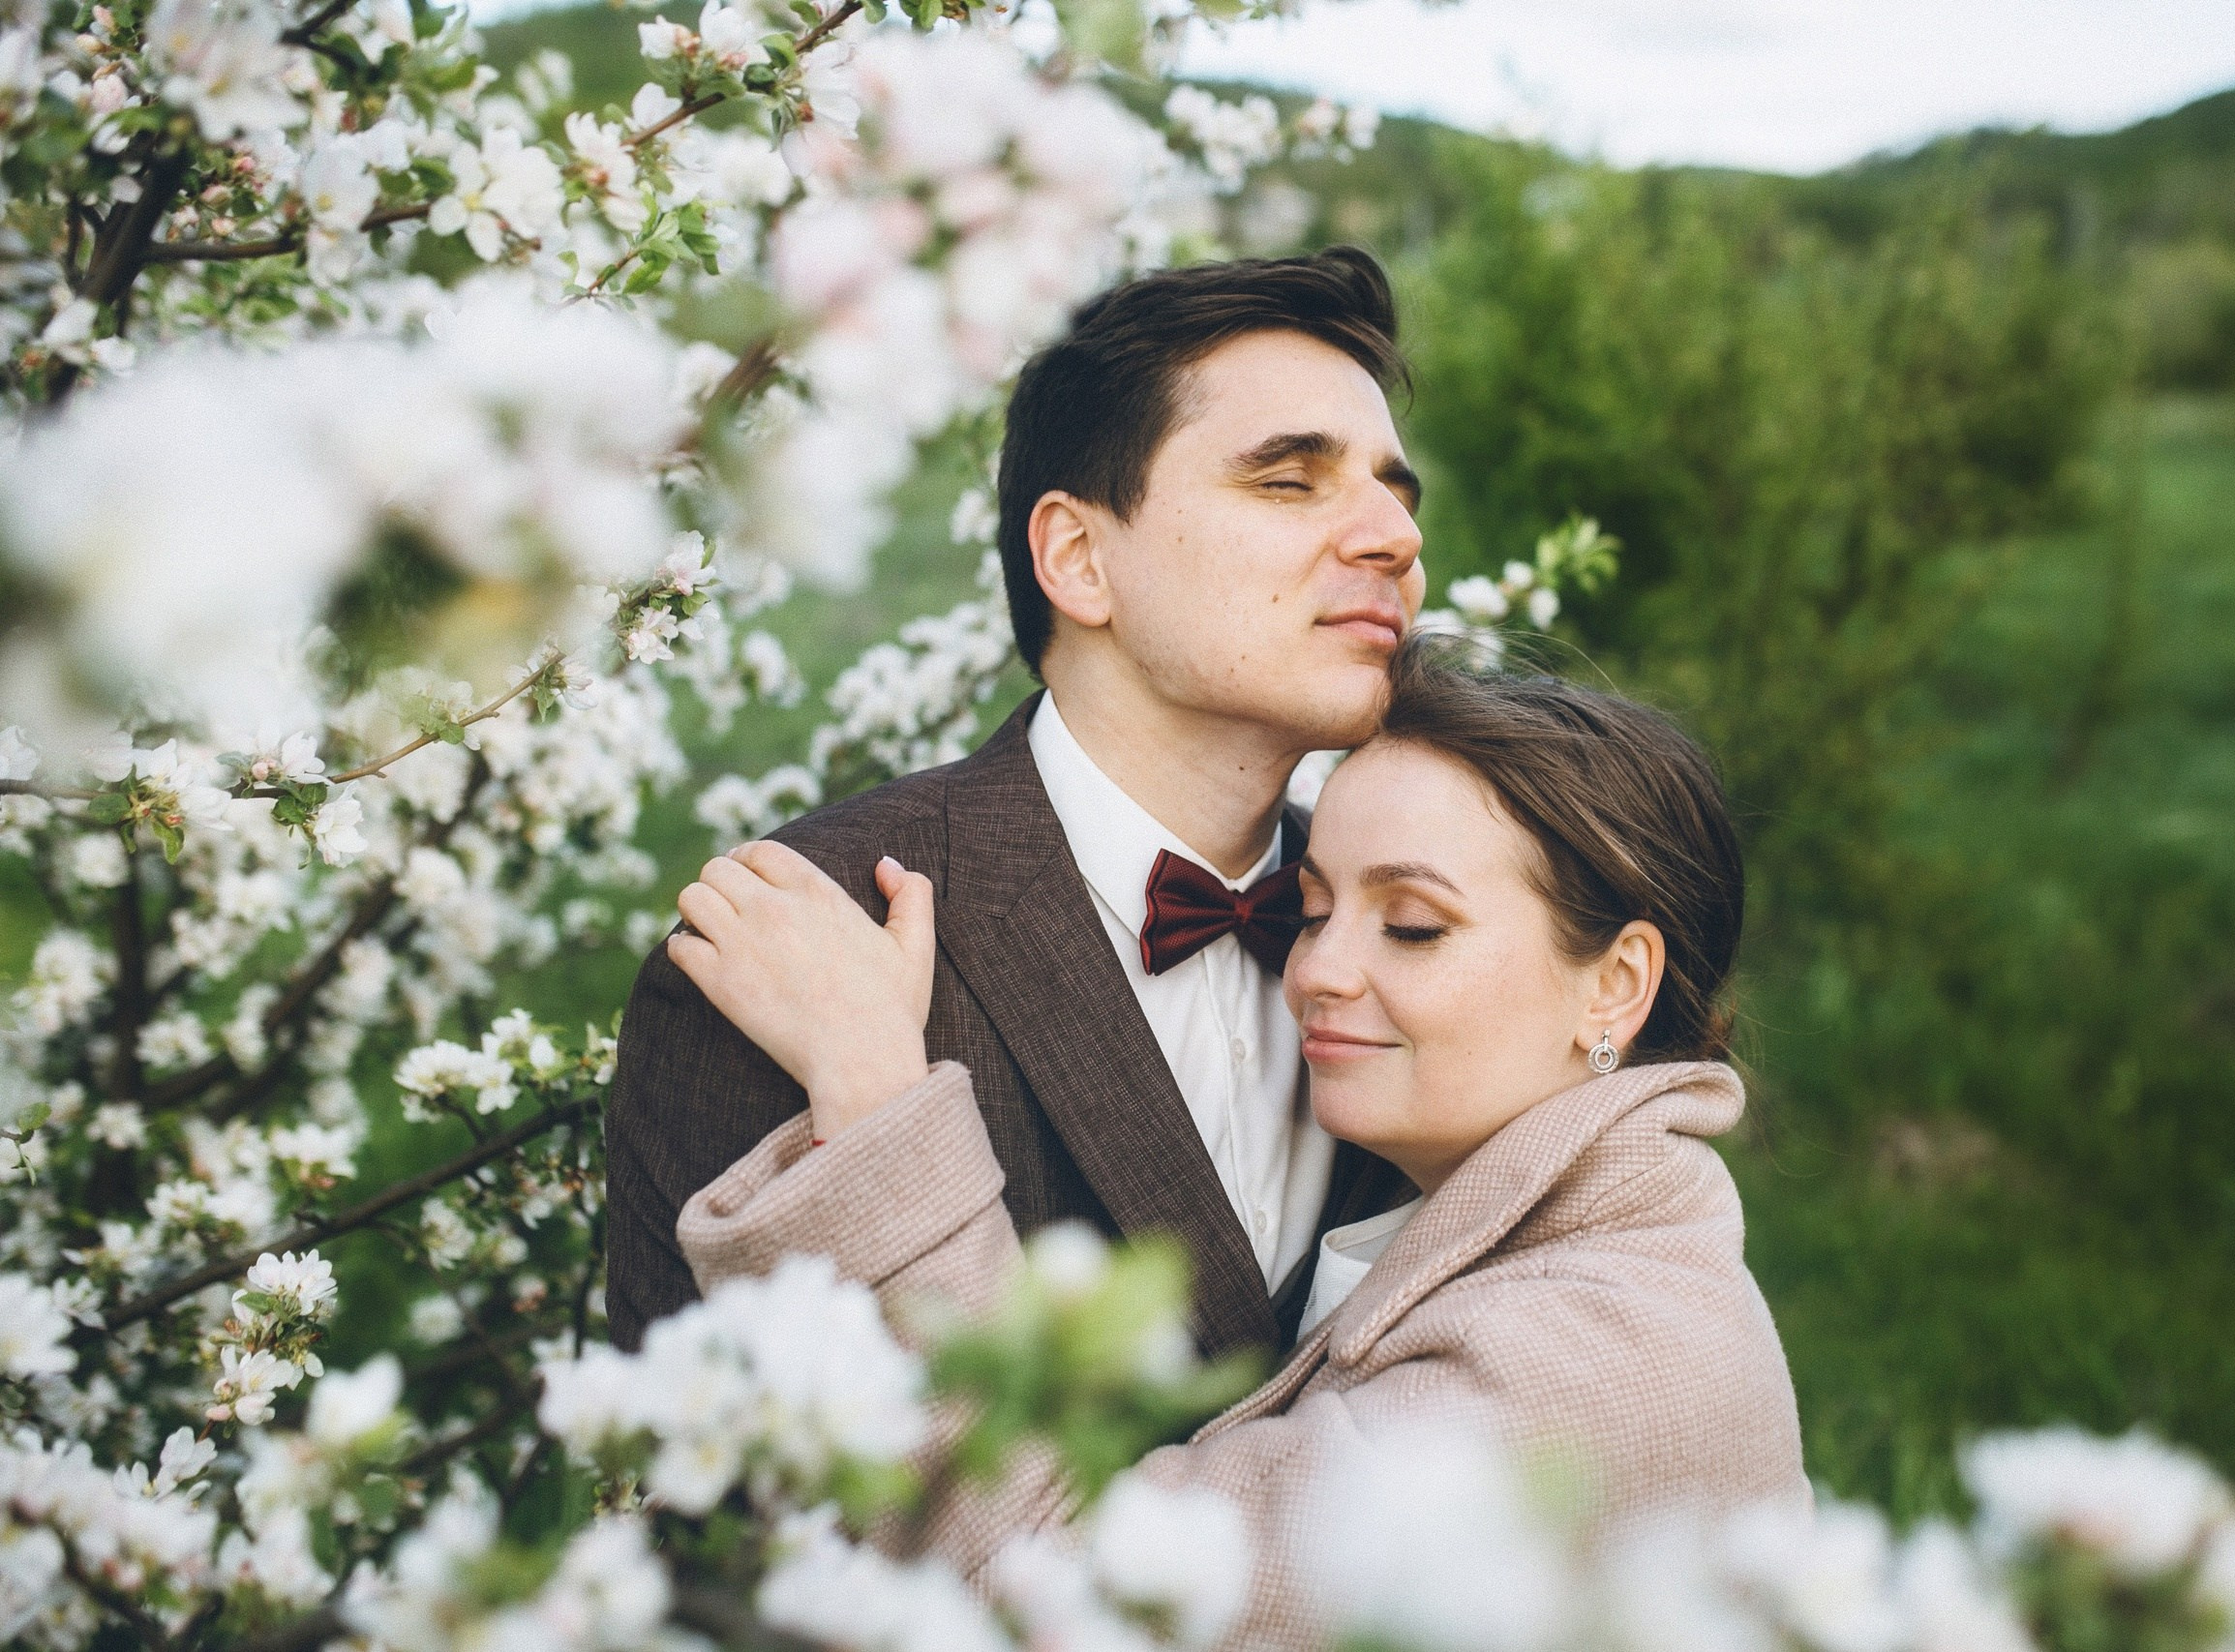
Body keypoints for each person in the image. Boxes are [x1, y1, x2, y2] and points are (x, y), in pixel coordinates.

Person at [666, 639, 1807, 1647]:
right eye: (1312, 910)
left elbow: (1070, 1606)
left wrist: (876, 1103)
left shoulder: (1588, 1353)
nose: (1314, 971)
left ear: (1614, 987)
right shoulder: (1581, 1237)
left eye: (1411, 924)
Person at [603, 247, 1429, 1353]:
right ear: (1079, 559)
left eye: (1394, 490)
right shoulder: (791, 956)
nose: (1395, 537)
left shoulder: (1448, 931)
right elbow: (743, 1503)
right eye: (1289, 480)